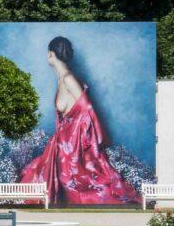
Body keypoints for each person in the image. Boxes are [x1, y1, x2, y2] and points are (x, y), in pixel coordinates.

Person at [18, 36, 140, 205]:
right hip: (62, 144)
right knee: (35, 174)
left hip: (72, 146)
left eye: (48, 53)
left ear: (51, 54)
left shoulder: (68, 79)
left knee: (82, 186)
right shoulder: (62, 79)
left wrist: (83, 142)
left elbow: (87, 109)